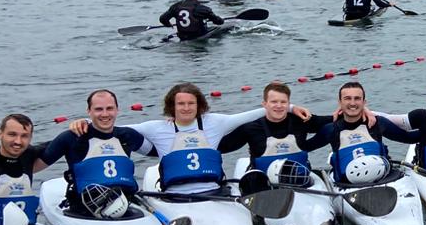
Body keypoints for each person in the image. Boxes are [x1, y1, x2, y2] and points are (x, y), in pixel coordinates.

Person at [112, 83, 306, 195]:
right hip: (175, 197)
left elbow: (250, 115)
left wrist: (290, 108)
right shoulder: (156, 128)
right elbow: (113, 129)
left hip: (215, 193)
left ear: (199, 105)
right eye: (181, 104)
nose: (186, 108)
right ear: (172, 106)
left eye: (191, 103)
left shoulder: (215, 122)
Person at [38, 89, 157, 216]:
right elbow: (36, 165)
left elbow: (158, 151)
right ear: (89, 111)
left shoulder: (128, 135)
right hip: (83, 212)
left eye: (109, 108)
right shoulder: (72, 138)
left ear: (117, 110)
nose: (105, 114)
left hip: (125, 207)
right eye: (98, 109)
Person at [305, 81, 417, 187]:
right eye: (347, 98)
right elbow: (304, 147)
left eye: (357, 98)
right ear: (340, 102)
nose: (352, 103)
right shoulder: (330, 129)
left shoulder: (377, 123)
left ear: (364, 102)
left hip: (384, 179)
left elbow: (409, 138)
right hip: (346, 185)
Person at [219, 81, 330, 185]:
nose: (279, 106)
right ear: (264, 104)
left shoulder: (302, 120)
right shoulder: (251, 128)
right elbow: (221, 147)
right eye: (274, 102)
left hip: (301, 181)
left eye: (283, 102)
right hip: (264, 185)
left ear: (289, 104)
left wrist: (340, 110)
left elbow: (333, 122)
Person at [159, 0, 225, 41]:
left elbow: (162, 19)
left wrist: (168, 24)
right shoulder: (202, 8)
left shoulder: (176, 6)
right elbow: (219, 22)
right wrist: (220, 19)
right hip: (198, 36)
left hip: (182, 36)